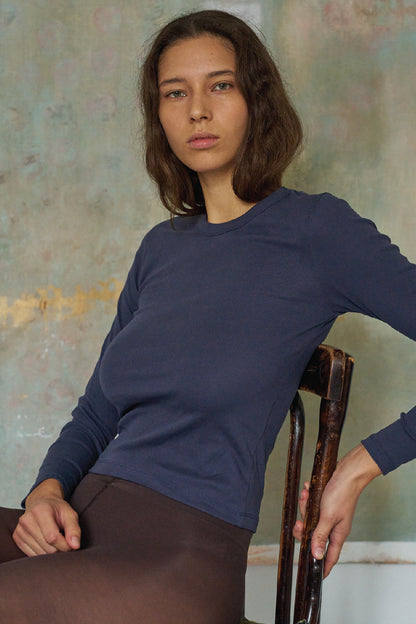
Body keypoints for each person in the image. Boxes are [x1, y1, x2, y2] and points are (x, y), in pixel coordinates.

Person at [0, 8, 415, 623]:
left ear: (257, 101)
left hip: (180, 555)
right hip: (84, 526)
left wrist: (360, 466)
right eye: (176, 92)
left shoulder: (318, 231)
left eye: (220, 85)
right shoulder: (161, 249)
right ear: (160, 116)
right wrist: (46, 490)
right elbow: (96, 411)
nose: (197, 110)